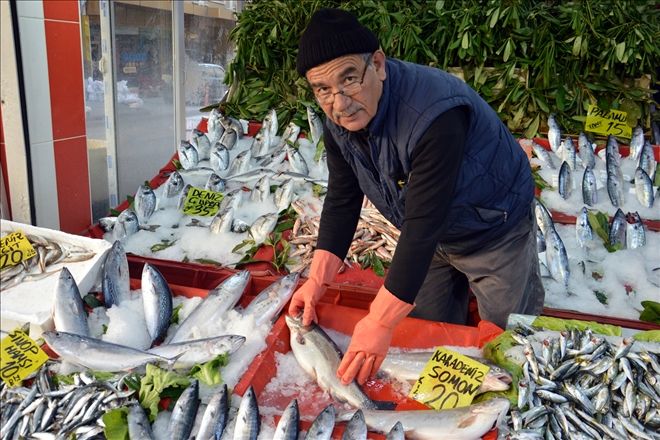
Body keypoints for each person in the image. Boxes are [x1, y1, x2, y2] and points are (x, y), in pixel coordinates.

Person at [288, 8, 544, 387]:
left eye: (349, 79)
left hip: (493, 224)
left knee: (505, 339)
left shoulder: (433, 115)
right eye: (322, 90)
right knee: (429, 328)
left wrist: (378, 320)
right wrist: (317, 280)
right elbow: (343, 196)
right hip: (427, 233)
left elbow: (424, 223)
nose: (339, 103)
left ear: (378, 63)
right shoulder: (338, 121)